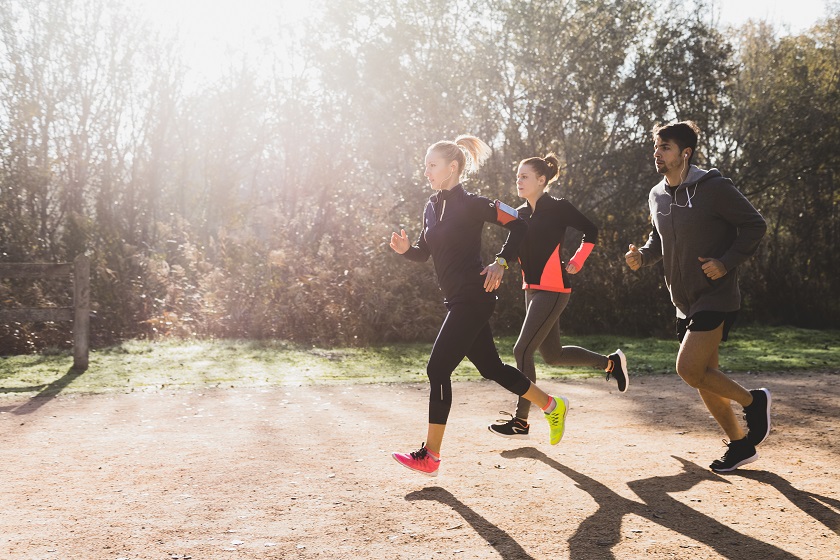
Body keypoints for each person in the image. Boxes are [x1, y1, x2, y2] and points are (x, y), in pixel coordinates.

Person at [389, 135, 570, 477]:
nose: (426, 171)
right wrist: (405, 251)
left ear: (452, 168)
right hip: (457, 300)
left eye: (432, 165)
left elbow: (520, 224)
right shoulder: (431, 207)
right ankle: (551, 405)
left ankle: (431, 455)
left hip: (475, 296)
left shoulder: (473, 204)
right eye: (426, 165)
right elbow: (424, 253)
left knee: (437, 369)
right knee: (491, 368)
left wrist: (502, 262)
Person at [624, 121, 770, 473]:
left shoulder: (714, 188)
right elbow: (658, 238)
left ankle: (754, 402)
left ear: (685, 153)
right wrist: (642, 255)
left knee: (689, 369)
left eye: (666, 148)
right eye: (656, 147)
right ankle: (739, 445)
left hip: (716, 295)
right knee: (705, 374)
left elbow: (755, 224)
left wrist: (726, 262)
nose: (657, 154)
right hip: (683, 299)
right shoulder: (656, 194)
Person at [488, 154, 629, 440]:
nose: (519, 180)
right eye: (517, 176)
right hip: (531, 288)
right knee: (552, 355)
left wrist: (578, 259)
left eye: (524, 176)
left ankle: (521, 421)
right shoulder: (519, 214)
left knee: (522, 350)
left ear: (542, 180)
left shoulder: (559, 208)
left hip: (554, 289)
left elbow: (591, 230)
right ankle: (611, 363)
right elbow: (515, 252)